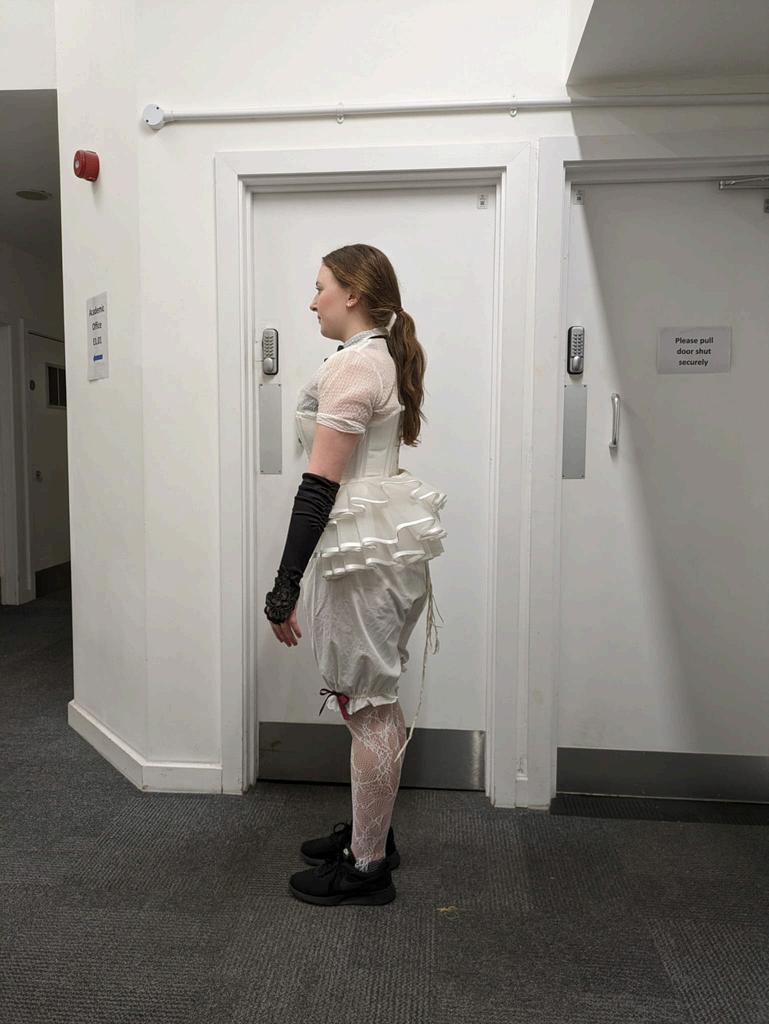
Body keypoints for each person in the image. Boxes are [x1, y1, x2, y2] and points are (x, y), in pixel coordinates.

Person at [264, 243, 447, 906]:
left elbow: (318, 487)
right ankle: (373, 834)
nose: (311, 301)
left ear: (353, 294)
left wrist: (284, 585)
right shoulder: (376, 359)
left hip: (362, 551)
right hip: (379, 543)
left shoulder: (354, 366)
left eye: (320, 287)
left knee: (367, 704)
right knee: (370, 700)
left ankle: (366, 867)